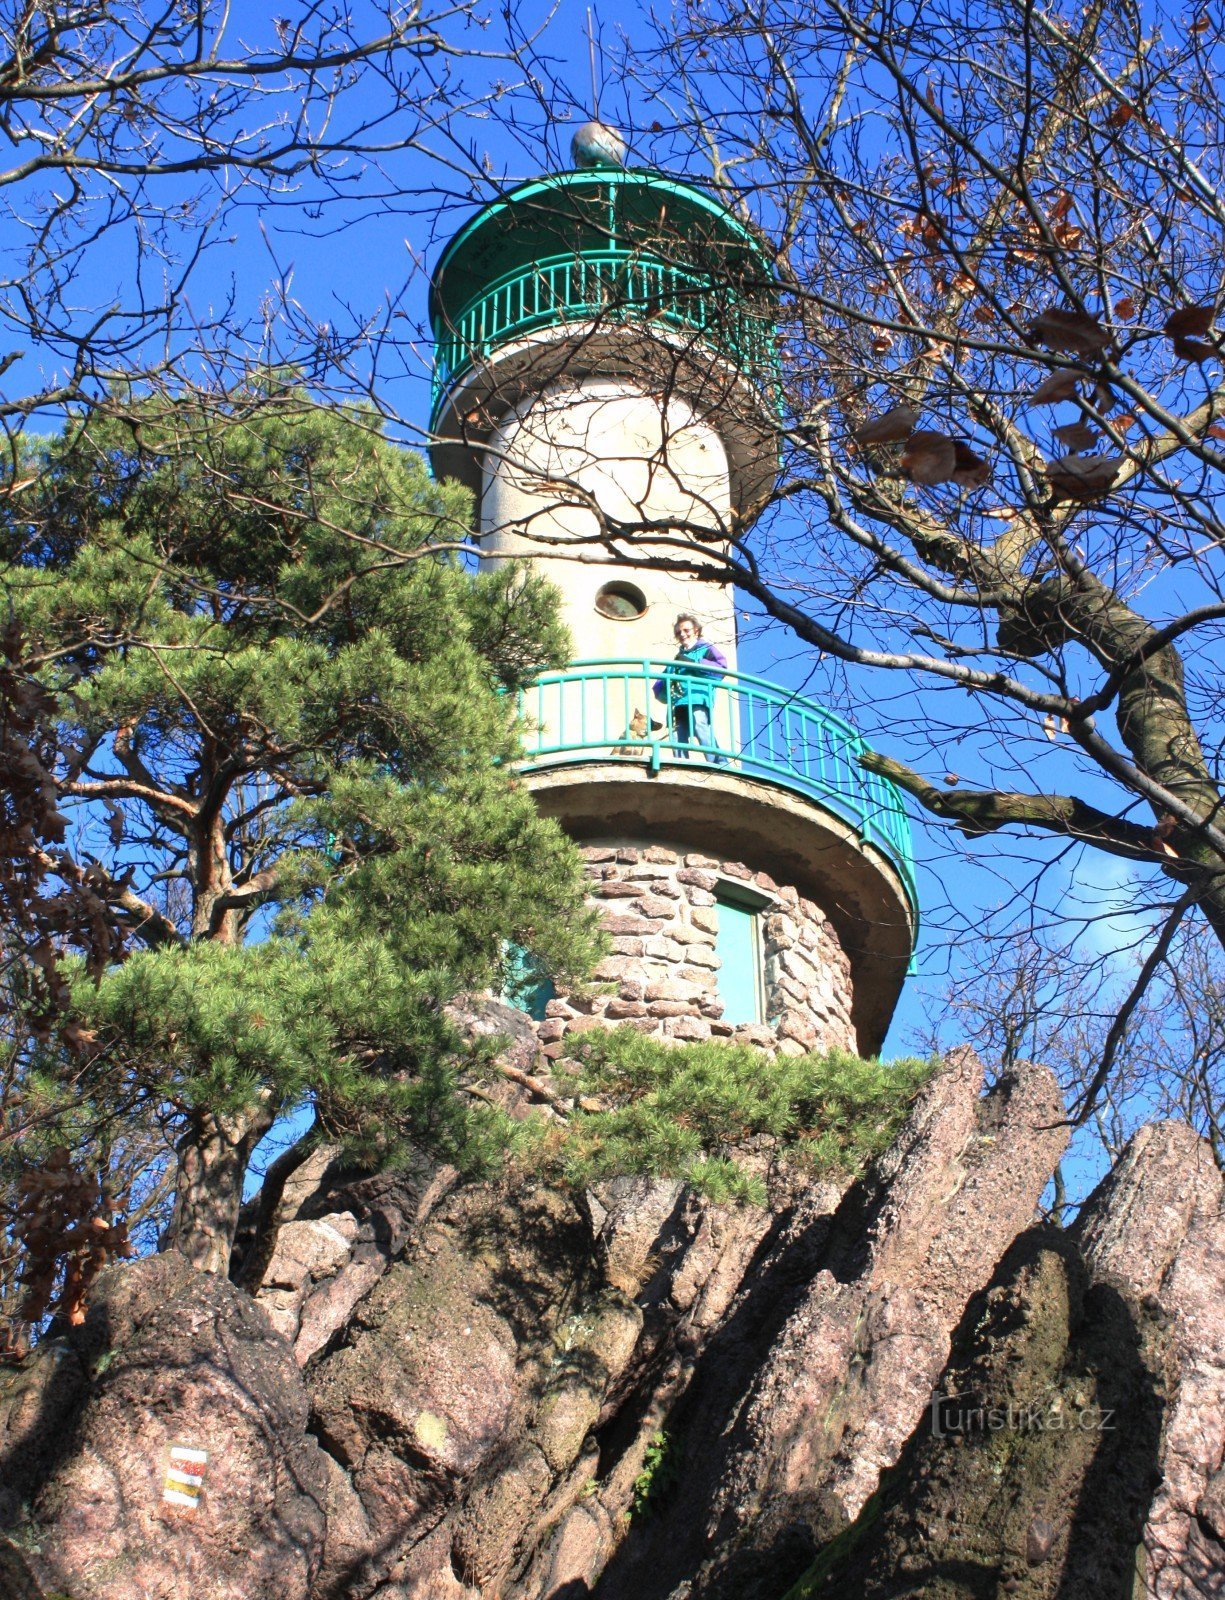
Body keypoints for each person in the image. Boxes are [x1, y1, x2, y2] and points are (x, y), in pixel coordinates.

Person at [653, 613, 728, 764]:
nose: (682, 634)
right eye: (678, 632)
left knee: (700, 726)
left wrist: (693, 663)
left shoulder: (705, 649)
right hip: (678, 702)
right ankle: (682, 764)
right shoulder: (676, 660)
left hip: (697, 698)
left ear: (696, 631)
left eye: (686, 630)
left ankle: (719, 763)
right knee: (676, 733)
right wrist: (665, 685)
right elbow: (659, 688)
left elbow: (721, 668)